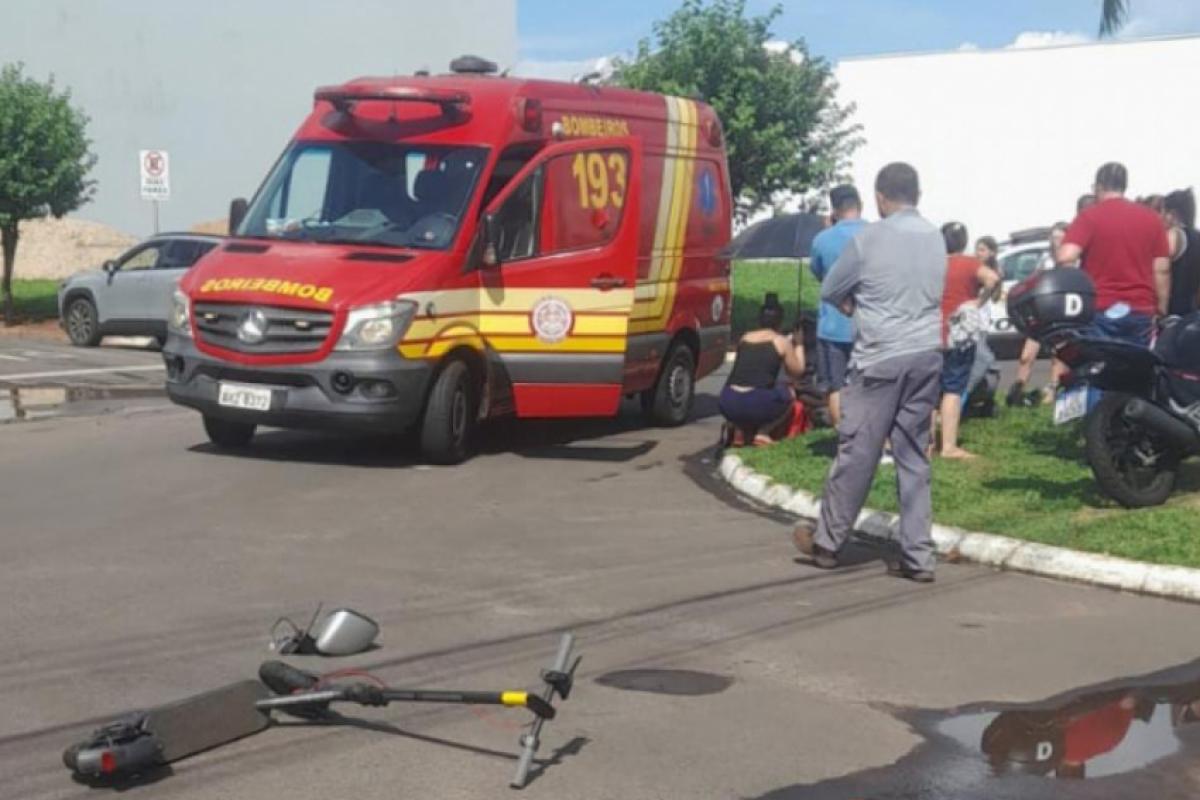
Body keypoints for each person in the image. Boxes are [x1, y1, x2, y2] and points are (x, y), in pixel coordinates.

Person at [792, 162, 946, 583]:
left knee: (858, 451)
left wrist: (859, 311)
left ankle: (827, 542)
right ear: (918, 193)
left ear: (880, 198)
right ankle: (919, 556)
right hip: (926, 354)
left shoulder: (869, 238)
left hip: (880, 357)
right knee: (913, 457)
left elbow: (831, 289)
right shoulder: (936, 237)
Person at [1057, 163, 1171, 344]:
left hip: (1100, 307)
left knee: (1099, 365)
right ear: (1124, 186)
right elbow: (1161, 269)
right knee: (1136, 366)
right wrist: (1162, 307)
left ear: (1098, 187)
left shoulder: (1089, 216)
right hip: (1139, 308)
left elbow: (1066, 257)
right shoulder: (1151, 219)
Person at [937, 223, 999, 459]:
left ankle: (928, 442)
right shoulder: (970, 264)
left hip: (929, 332)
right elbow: (992, 279)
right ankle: (949, 446)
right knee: (953, 388)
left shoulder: (932, 263)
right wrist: (979, 301)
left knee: (931, 391)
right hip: (958, 333)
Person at [809, 185, 866, 427]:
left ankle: (843, 441)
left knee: (835, 386)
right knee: (868, 385)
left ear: (834, 211)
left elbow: (818, 273)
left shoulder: (822, 239)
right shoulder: (875, 233)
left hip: (832, 324)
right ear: (860, 206)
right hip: (868, 322)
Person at [719, 295, 805, 446]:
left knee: (749, 391)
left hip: (728, 400)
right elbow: (797, 371)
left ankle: (739, 430)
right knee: (789, 394)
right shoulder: (781, 342)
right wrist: (799, 344)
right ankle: (764, 432)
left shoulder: (745, 338)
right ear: (780, 321)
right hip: (756, 402)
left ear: (759, 319)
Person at [1008, 223, 1071, 405]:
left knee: (1057, 357)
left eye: (1060, 238)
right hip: (1041, 314)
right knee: (1026, 356)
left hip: (1061, 314)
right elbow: (1035, 281)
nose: (1055, 242)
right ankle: (1018, 391)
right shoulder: (1046, 260)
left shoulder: (1072, 261)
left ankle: (1052, 392)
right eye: (1053, 237)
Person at [1164, 189, 1200, 316]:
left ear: (1172, 214)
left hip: (1172, 309)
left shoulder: (1174, 234)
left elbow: (1162, 268)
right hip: (1192, 310)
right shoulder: (1197, 236)